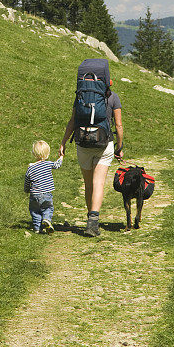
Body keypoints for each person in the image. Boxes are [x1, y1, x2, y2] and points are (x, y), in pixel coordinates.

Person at [59, 59, 124, 237]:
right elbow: (118, 126)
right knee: (98, 183)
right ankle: (93, 222)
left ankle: (90, 217)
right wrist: (119, 147)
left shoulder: (80, 95)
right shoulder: (113, 97)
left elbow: (72, 121)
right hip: (104, 144)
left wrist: (63, 142)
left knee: (88, 184)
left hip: (82, 143)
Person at [24, 140, 63, 233]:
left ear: (34, 154)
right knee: (47, 208)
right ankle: (46, 220)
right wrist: (61, 157)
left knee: (35, 211)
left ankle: (37, 228)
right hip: (46, 193)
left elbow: (27, 180)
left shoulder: (31, 168)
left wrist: (26, 190)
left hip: (34, 194)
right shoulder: (48, 164)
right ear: (47, 154)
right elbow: (57, 165)